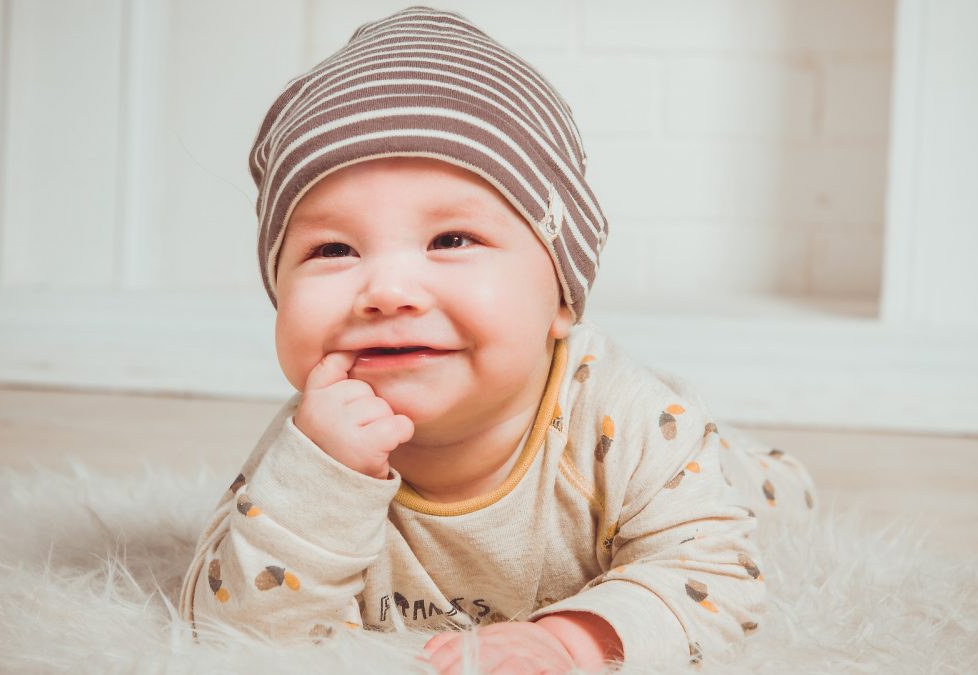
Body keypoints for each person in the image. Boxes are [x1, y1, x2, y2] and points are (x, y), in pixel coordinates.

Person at [179, 6, 817, 673]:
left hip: (679, 454)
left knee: (747, 497)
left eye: (451, 239)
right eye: (333, 247)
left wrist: (572, 639)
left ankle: (760, 466)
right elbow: (225, 627)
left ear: (562, 299)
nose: (388, 289)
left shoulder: (629, 422)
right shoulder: (313, 448)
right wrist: (322, 485)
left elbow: (715, 577)